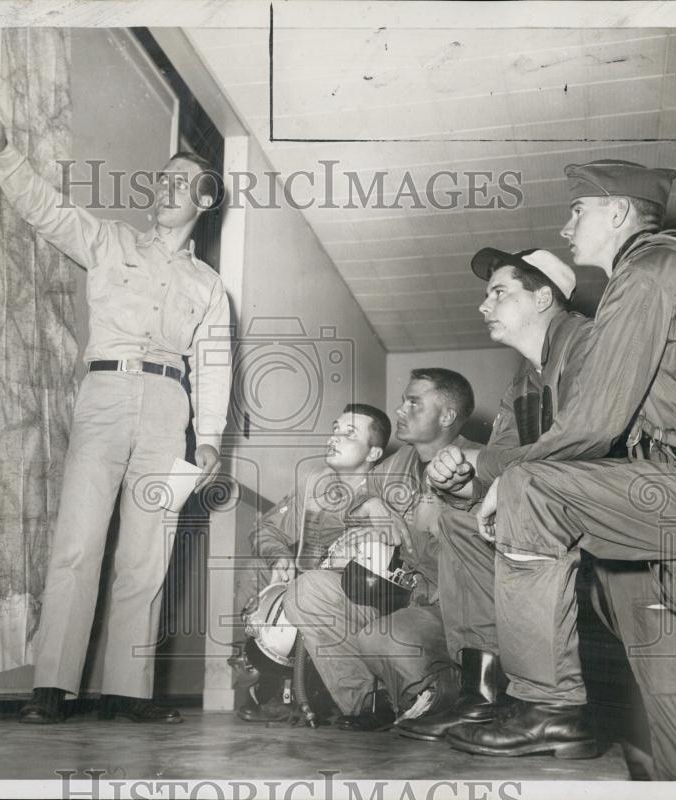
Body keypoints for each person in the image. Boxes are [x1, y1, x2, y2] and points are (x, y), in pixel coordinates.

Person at [442, 159, 676, 779]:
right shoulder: (666, 272)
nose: (566, 226)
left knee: (531, 490)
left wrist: (499, 474)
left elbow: (591, 427)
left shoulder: (648, 273)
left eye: (578, 211)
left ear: (617, 213)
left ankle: (547, 706)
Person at [0, 112, 232, 724]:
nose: (165, 189)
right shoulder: (110, 241)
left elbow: (215, 361)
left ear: (204, 200)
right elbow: (49, 211)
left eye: (180, 182)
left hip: (171, 410)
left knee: (147, 556)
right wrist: (6, 153)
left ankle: (128, 693)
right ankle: (52, 688)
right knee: (78, 544)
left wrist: (210, 437)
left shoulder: (210, 286)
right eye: (161, 180)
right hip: (106, 395)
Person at [398, 248, 592, 743]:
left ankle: (547, 704)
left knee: (516, 502)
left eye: (499, 293)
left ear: (544, 296)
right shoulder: (523, 382)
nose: (484, 307)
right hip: (555, 505)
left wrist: (479, 467)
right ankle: (479, 698)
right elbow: (497, 464)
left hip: (604, 503)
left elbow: (581, 443)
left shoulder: (587, 345)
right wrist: (462, 482)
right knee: (456, 517)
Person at [282, 368, 475, 731]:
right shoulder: (395, 464)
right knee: (309, 590)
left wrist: (401, 526)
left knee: (384, 635)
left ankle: (449, 698)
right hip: (402, 595)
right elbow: (361, 494)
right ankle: (369, 704)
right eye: (403, 401)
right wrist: (372, 504)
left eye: (413, 403)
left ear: (447, 416)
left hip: (453, 606)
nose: (401, 410)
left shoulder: (476, 462)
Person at [235, 403, 392, 723]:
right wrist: (279, 557)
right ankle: (269, 680)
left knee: (315, 590)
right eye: (335, 429)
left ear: (374, 453)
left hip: (361, 599)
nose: (334, 437)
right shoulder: (314, 484)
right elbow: (266, 529)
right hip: (307, 590)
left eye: (349, 433)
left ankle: (362, 699)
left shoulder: (387, 490)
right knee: (257, 567)